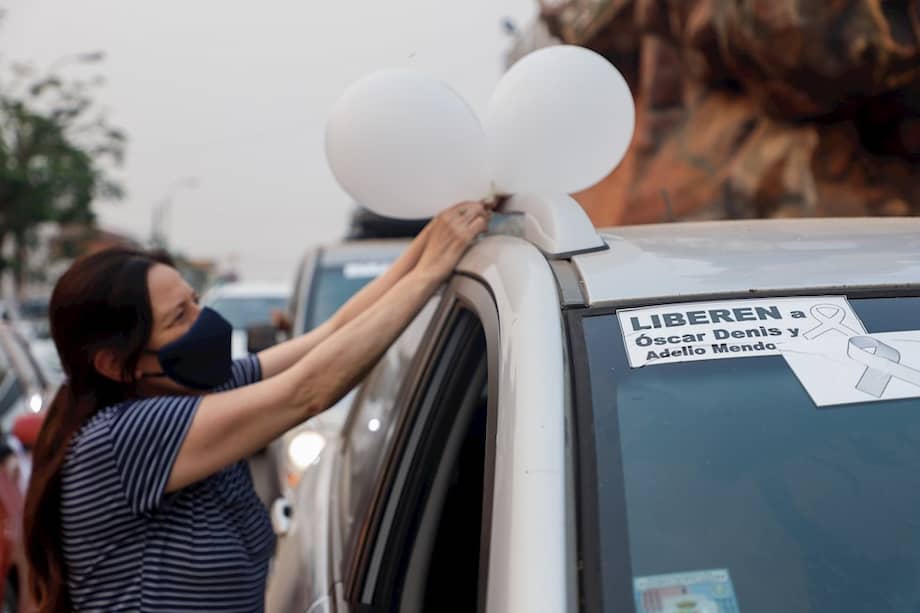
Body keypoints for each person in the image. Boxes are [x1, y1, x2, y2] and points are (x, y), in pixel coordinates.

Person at [23, 201, 491, 613]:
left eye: (194, 301)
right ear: (116, 365)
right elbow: (310, 390)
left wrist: (429, 243)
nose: (205, 320)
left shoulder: (196, 393)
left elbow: (329, 336)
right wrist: (429, 275)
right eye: (179, 318)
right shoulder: (123, 438)